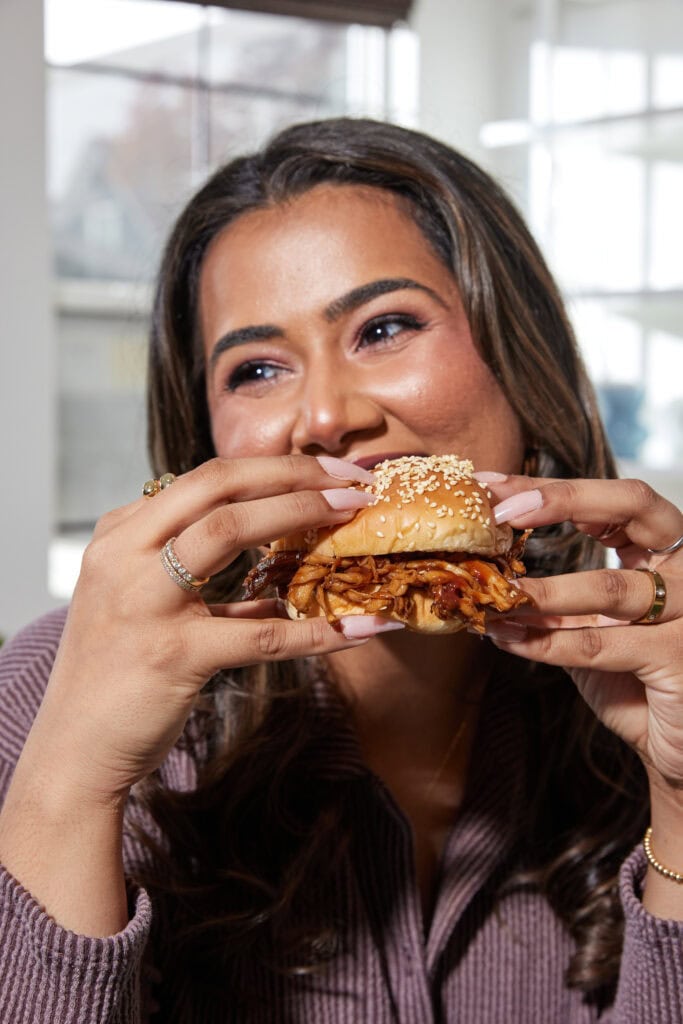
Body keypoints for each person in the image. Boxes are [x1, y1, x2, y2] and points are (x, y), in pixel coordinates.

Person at [0, 117, 682, 1024]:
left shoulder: (647, 683)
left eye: (385, 326)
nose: (323, 417)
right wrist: (69, 785)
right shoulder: (52, 689)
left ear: (520, 358)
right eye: (256, 369)